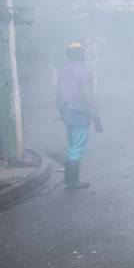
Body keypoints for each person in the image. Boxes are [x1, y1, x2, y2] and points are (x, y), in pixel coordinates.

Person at [56, 42, 103, 190]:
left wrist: (62, 112)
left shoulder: (62, 71)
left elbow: (58, 95)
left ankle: (68, 179)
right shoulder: (84, 72)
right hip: (80, 113)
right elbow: (89, 97)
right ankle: (72, 180)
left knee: (72, 144)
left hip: (67, 112)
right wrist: (96, 118)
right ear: (82, 55)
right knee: (77, 146)